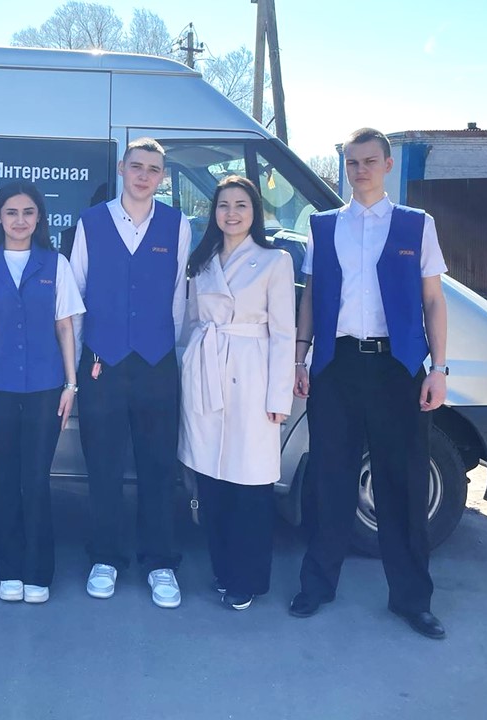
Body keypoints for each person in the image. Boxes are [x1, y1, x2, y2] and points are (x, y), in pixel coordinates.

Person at [291, 128, 450, 640]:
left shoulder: (416, 224)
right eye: (352, 162)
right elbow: (312, 294)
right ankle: (317, 585)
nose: (360, 170)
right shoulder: (322, 226)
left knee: (401, 483)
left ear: (387, 165)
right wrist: (300, 356)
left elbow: (433, 300)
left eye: (369, 161)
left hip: (396, 369)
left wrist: (440, 368)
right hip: (336, 366)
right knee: (328, 480)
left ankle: (411, 599)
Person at [70, 137, 189, 609]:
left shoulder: (177, 225)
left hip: (156, 363)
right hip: (102, 362)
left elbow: (178, 297)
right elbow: (76, 295)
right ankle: (106, 557)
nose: (143, 175)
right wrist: (81, 364)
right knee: (103, 467)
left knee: (158, 467)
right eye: (136, 166)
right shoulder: (90, 222)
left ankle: (160, 562)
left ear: (162, 177)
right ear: (122, 168)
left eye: (153, 169)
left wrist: (161, 348)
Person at [178, 175, 295, 612]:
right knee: (211, 482)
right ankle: (222, 570)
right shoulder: (202, 261)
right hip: (206, 371)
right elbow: (191, 322)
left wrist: (278, 397)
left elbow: (284, 332)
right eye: (223, 205)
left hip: (252, 376)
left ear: (254, 212)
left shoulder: (274, 260)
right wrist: (187, 370)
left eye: (241, 205)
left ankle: (248, 578)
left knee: (250, 484)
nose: (231, 213)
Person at [0, 182, 84, 604]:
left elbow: (65, 327)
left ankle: (38, 571)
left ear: (39, 219)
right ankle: (9, 569)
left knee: (35, 479)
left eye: (28, 212)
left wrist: (71, 384)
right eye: (11, 212)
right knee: (5, 478)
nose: (20, 220)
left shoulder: (56, 264)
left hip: (45, 388)